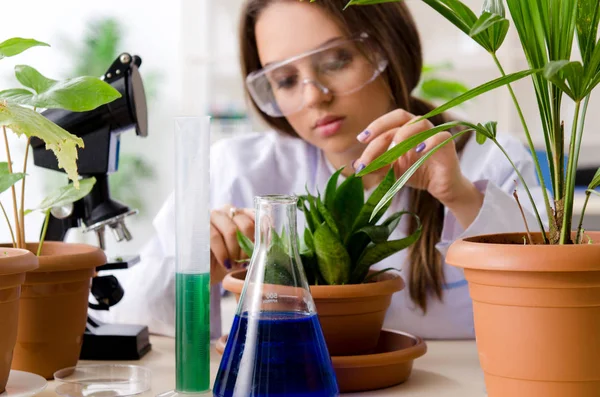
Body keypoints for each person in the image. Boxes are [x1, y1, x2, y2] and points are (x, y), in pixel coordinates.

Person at [97, 0, 547, 339]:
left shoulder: (493, 160)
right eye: (285, 80)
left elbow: (549, 306)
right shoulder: (239, 169)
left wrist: (462, 197)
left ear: (389, 46)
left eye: (336, 60)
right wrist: (198, 266)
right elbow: (124, 309)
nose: (314, 97)